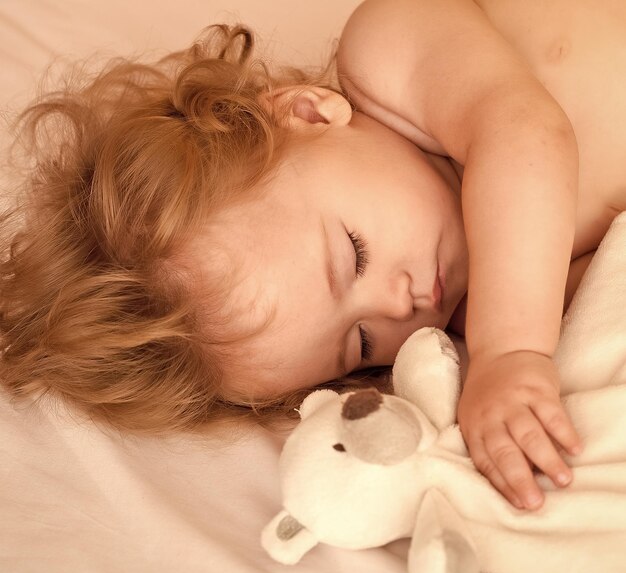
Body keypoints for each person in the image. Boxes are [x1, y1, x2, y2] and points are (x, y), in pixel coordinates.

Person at [1, 2, 623, 513]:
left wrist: (510, 351)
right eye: (361, 342)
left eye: (353, 255)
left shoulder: (388, 53)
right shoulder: (481, 304)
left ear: (307, 112)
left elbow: (522, 130)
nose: (400, 304)